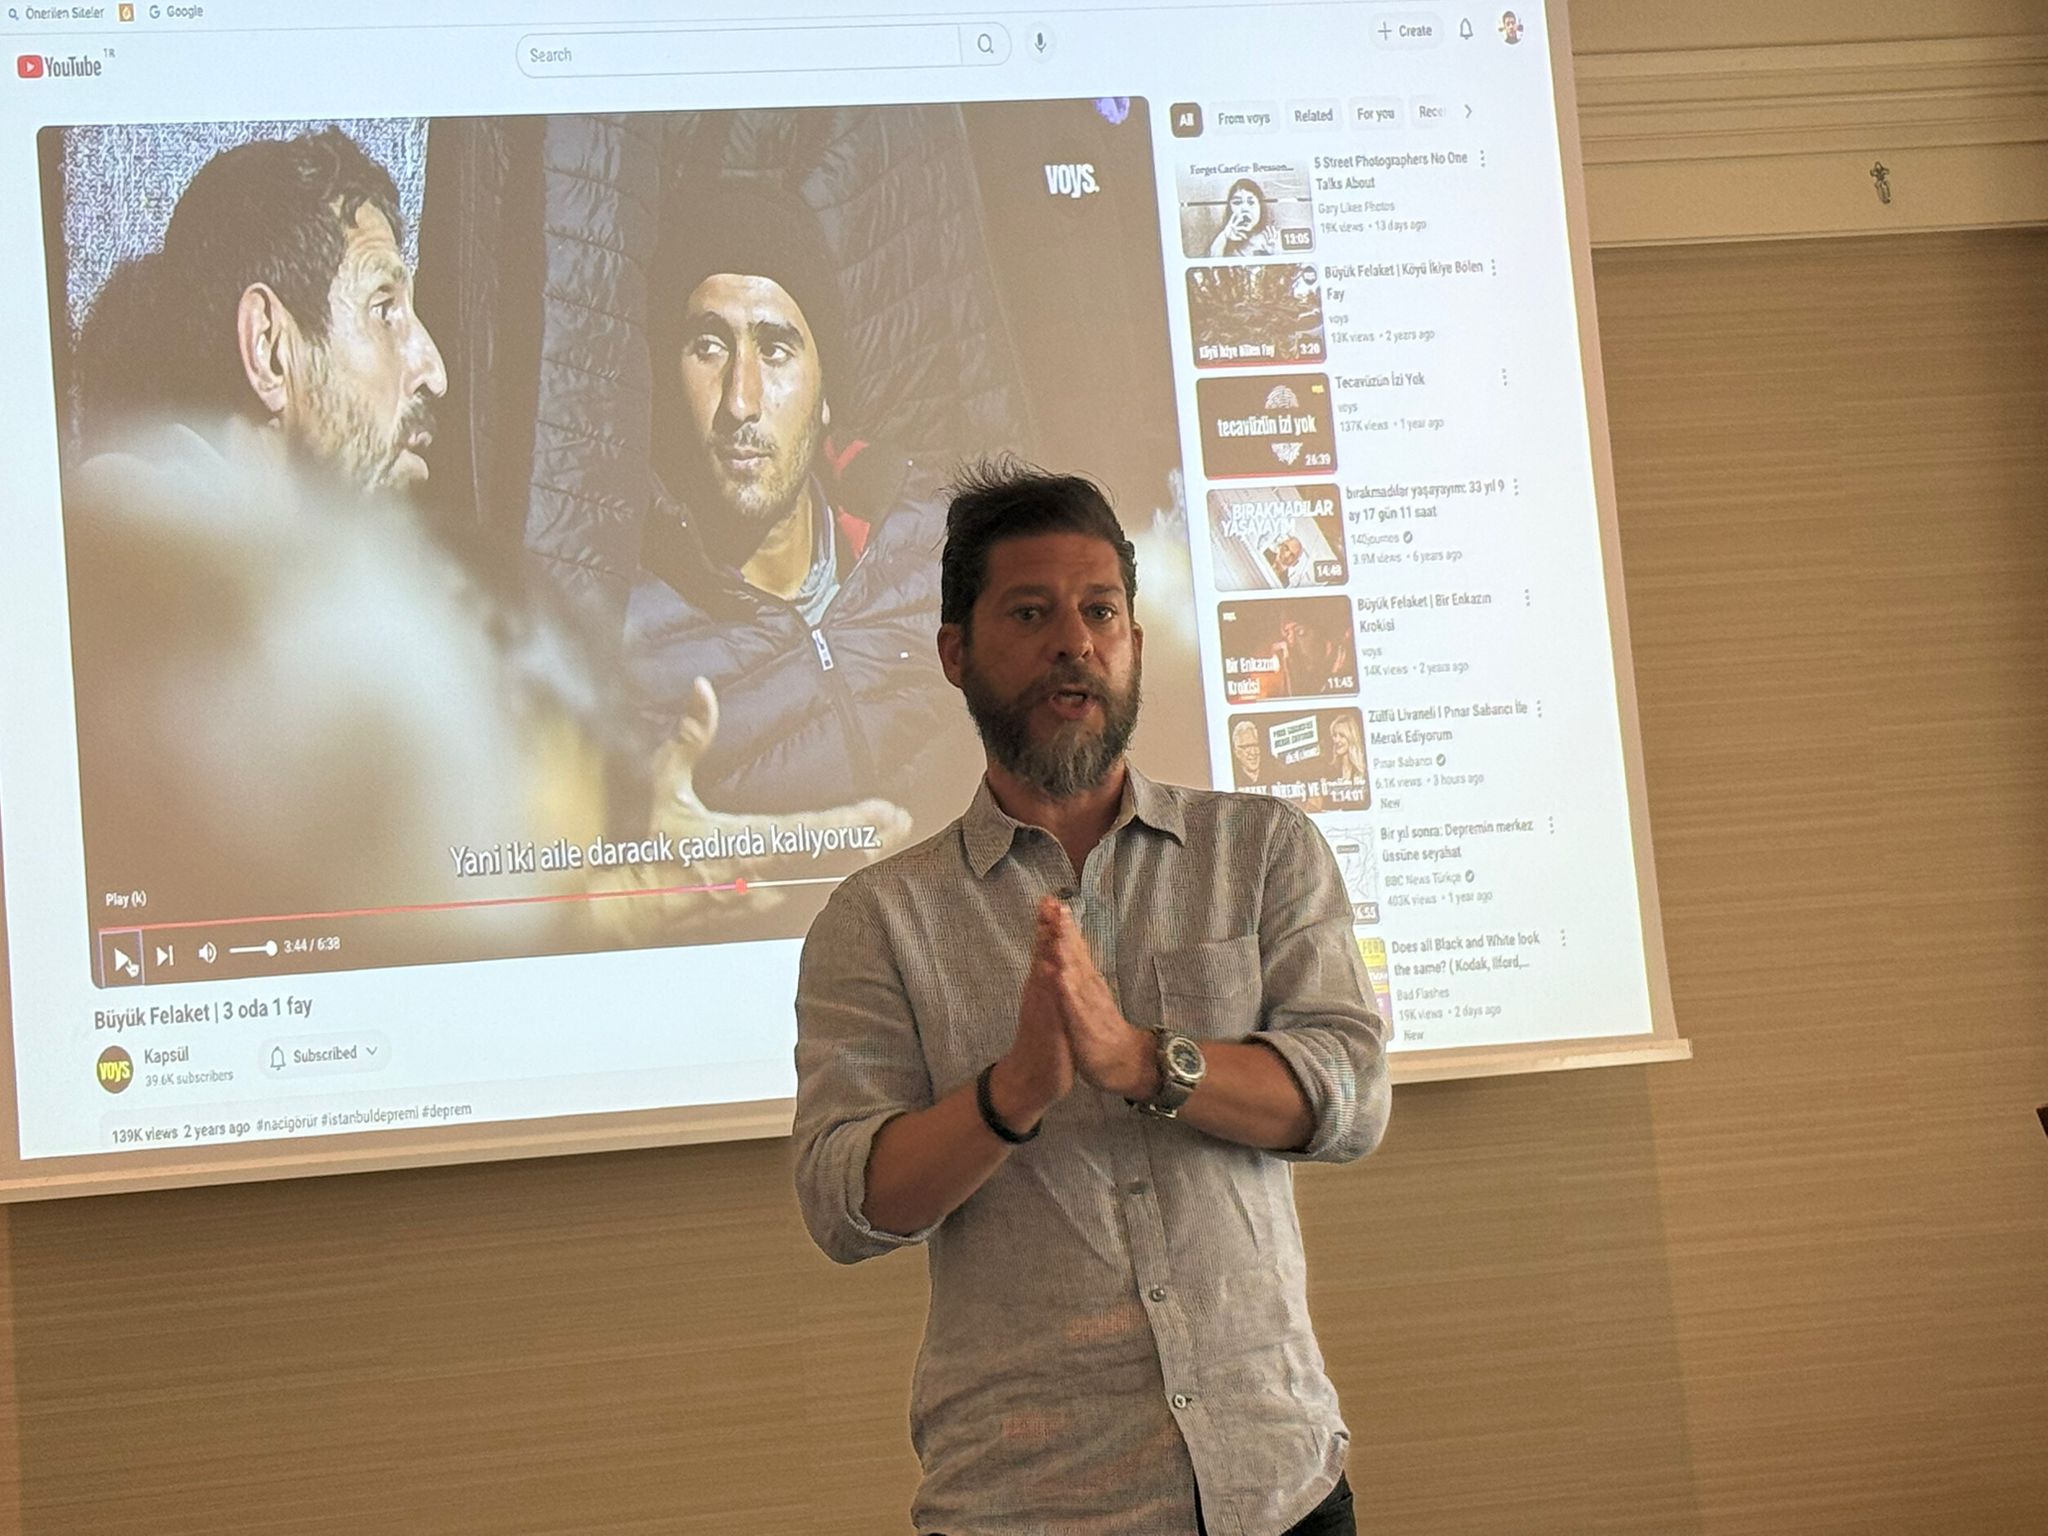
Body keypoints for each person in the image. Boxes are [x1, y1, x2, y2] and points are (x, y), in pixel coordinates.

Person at [793, 460, 1390, 1534]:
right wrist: (1010, 1095)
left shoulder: (1259, 851)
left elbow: (1348, 1094)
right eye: (1030, 613)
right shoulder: (877, 918)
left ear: (1134, 643)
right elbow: (846, 1205)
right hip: (1029, 1502)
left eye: (1099, 610)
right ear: (954, 652)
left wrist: (1145, 1060)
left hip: (1275, 1487)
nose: (1073, 642)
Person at [625, 179, 972, 850]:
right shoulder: (626, 637)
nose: (740, 401)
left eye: (776, 349)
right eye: (708, 346)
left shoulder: (943, 551)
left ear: (827, 392)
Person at [1207, 176, 1284, 258]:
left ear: (1260, 207)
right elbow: (1212, 261)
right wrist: (1224, 237)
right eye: (1237, 202)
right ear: (1229, 209)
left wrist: (1273, 252)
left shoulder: (1272, 238)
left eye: (1251, 202)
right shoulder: (1223, 240)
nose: (1245, 208)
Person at [1231, 715, 1268, 785]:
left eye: (1255, 745)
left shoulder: (1275, 772)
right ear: (1237, 752)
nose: (1253, 752)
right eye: (1246, 747)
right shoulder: (1232, 777)